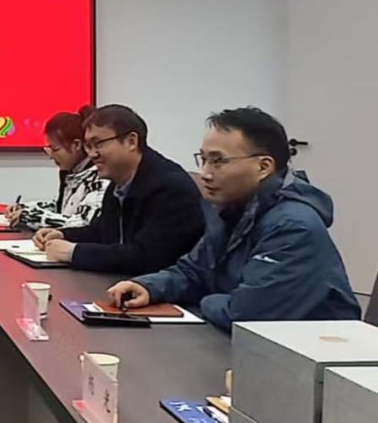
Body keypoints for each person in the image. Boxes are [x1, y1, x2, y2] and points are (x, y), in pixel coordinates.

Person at [106, 107, 359, 328]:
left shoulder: (292, 228)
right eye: (203, 159)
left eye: (218, 161)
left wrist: (207, 299)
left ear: (263, 167)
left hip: (313, 357)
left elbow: (246, 315)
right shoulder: (230, 210)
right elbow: (193, 271)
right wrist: (149, 287)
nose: (205, 173)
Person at [31, 104, 206, 275]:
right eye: (88, 146)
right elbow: (101, 231)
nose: (92, 154)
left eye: (98, 144)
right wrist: (62, 235)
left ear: (131, 141)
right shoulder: (119, 181)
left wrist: (73, 253)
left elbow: (146, 257)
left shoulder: (168, 187)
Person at [8, 106, 110, 231]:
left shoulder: (99, 176)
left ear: (76, 145)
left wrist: (31, 217)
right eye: (48, 149)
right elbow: (62, 209)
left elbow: (84, 222)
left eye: (55, 149)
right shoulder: (72, 173)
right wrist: (25, 208)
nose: (51, 156)